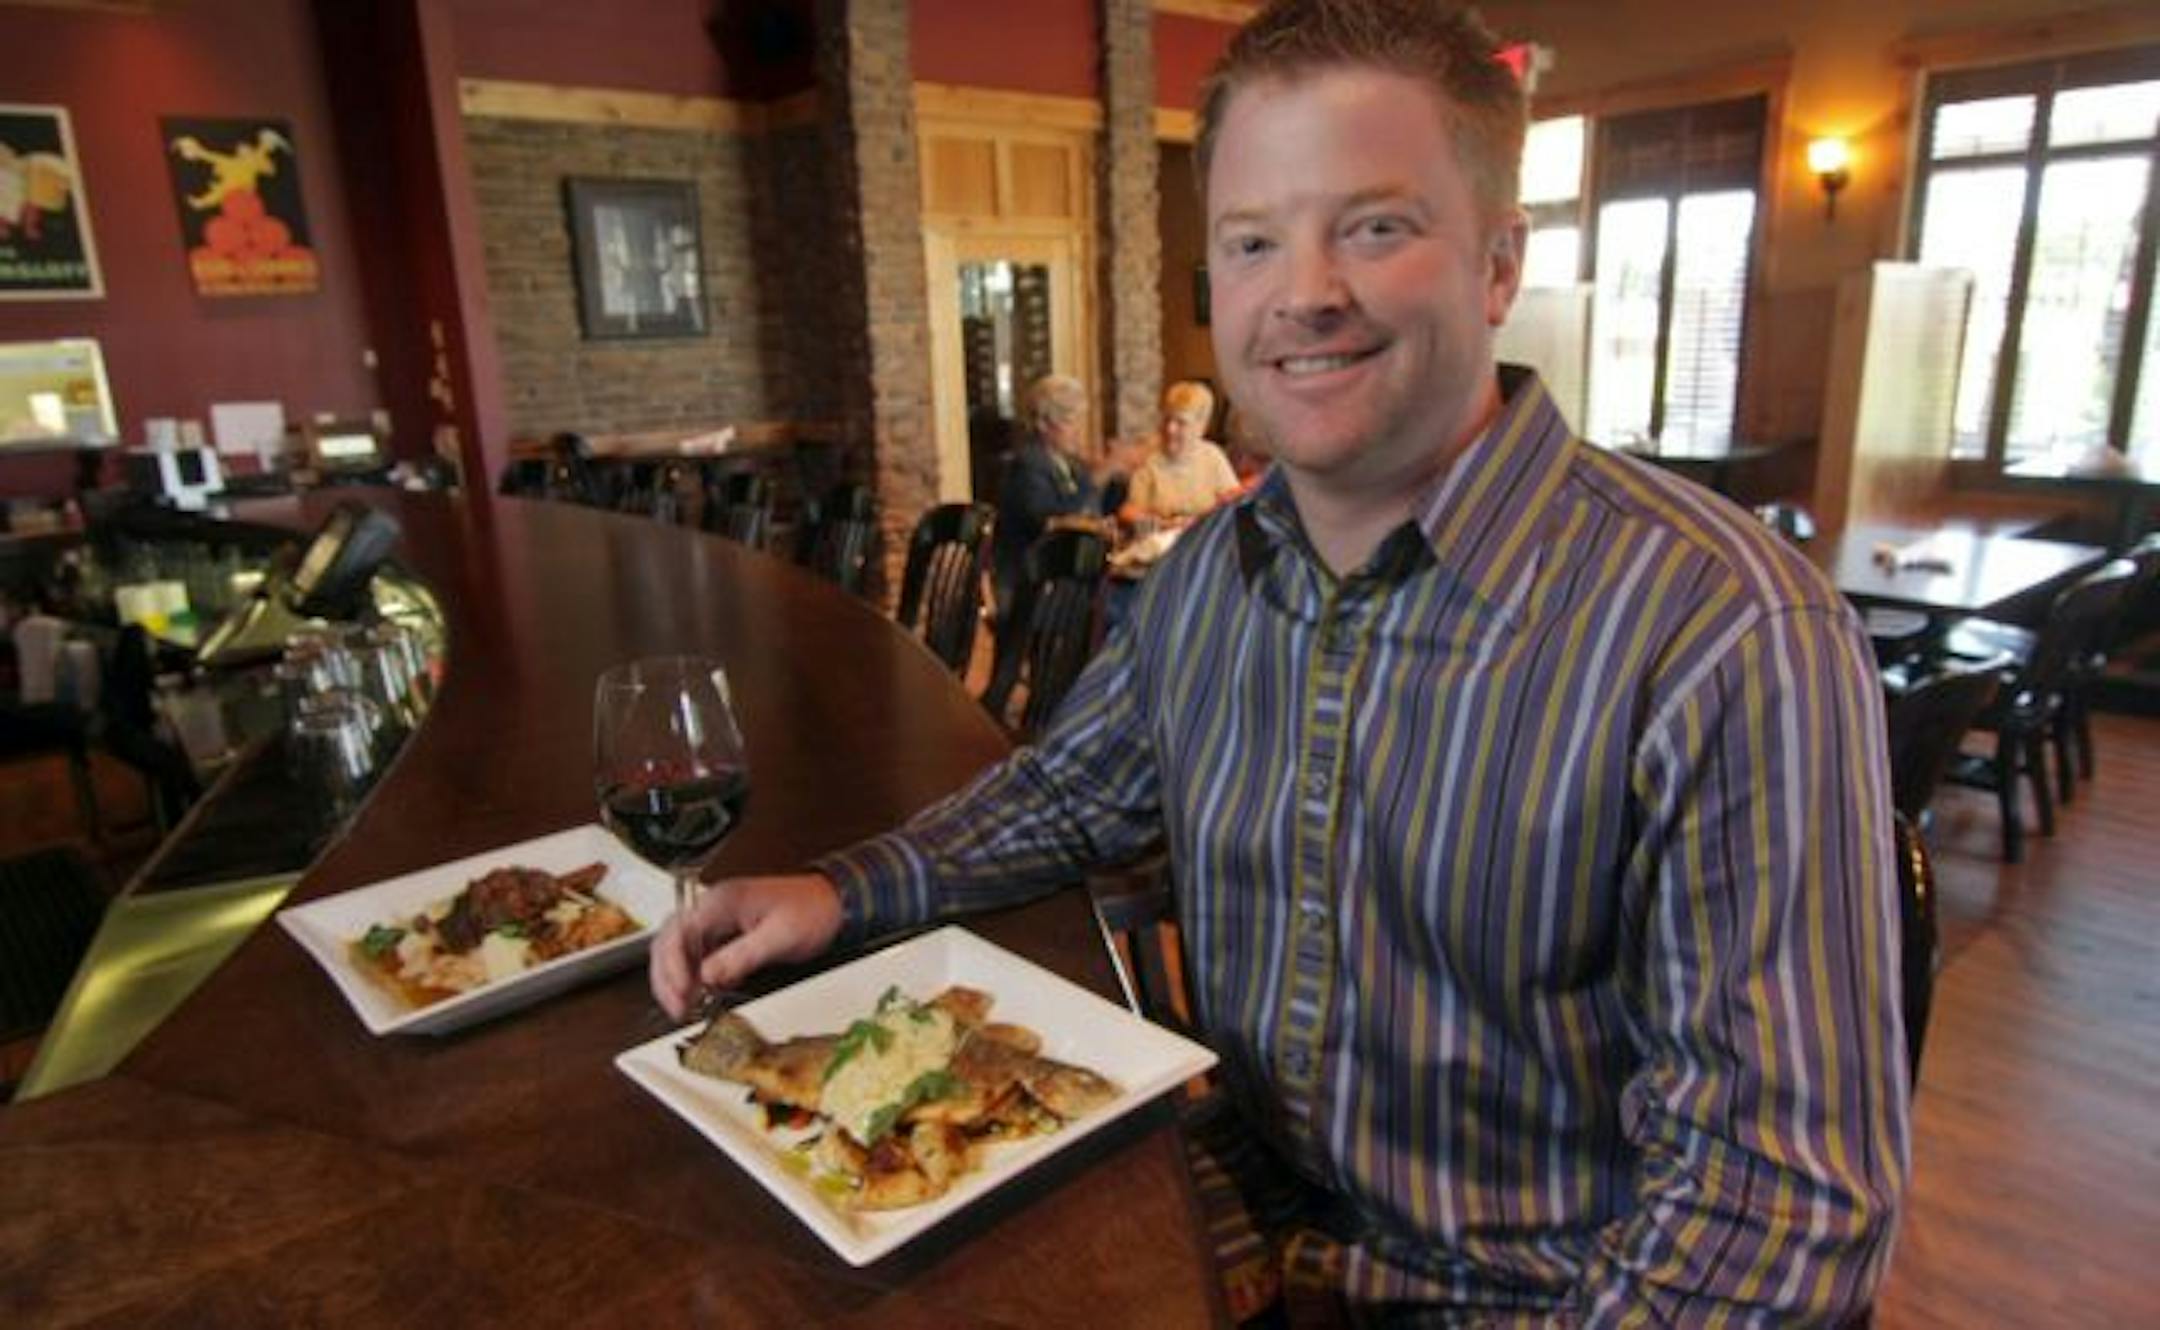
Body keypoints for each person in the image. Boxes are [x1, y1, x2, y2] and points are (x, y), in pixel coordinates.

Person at [653, 1, 1907, 1322]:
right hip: (1231, 1222)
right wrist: (842, 892)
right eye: (1254, 241)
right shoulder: (1207, 578)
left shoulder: (1724, 633)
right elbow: (1073, 791)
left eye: (1375, 226)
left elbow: (1773, 1210)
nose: (1304, 291)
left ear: (1496, 264)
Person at [990, 374, 1128, 618]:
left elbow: (1093, 507)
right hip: (1033, 588)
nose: (1078, 431)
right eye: (1069, 422)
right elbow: (1052, 520)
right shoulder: (1027, 464)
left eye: (1078, 421)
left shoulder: (1069, 464)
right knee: (1123, 611)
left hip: (1064, 580)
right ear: (1043, 424)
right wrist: (1101, 474)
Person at [1119, 380, 1244, 530]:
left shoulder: (1212, 456)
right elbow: (1129, 511)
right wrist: (1164, 523)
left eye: (1181, 422)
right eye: (1167, 419)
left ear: (1200, 427)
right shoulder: (1150, 461)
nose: (1170, 429)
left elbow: (1234, 500)